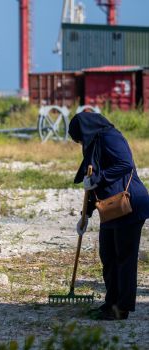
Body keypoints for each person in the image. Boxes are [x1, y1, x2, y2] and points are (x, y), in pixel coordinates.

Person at [69, 112, 149, 321]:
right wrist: (85, 215)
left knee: (124, 259)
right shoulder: (93, 143)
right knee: (108, 257)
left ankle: (121, 309)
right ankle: (110, 303)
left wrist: (99, 178)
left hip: (129, 204)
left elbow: (126, 164)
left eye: (79, 139)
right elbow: (91, 183)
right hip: (110, 208)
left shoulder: (110, 137)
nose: (80, 143)